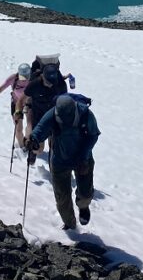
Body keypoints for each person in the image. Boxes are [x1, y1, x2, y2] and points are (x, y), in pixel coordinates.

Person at [26, 94, 100, 230]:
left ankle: (83, 206)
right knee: (62, 198)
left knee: (86, 192)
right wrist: (34, 139)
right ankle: (70, 224)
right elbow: (41, 128)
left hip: (82, 159)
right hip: (60, 160)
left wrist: (83, 157)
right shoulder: (53, 114)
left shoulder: (85, 115)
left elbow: (93, 136)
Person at [19, 58, 68, 153]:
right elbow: (21, 100)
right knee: (39, 148)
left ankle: (51, 163)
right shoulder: (34, 84)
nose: (50, 86)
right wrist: (18, 112)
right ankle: (32, 151)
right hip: (38, 115)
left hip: (53, 116)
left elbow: (64, 101)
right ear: (42, 77)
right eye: (48, 83)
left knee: (53, 145)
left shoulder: (61, 84)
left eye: (52, 83)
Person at [0, 63, 32, 148]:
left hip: (29, 103)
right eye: (23, 77)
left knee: (30, 125)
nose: (24, 79)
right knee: (18, 129)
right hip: (16, 104)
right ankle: (22, 147)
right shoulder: (13, 79)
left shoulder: (33, 78)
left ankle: (28, 143)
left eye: (26, 76)